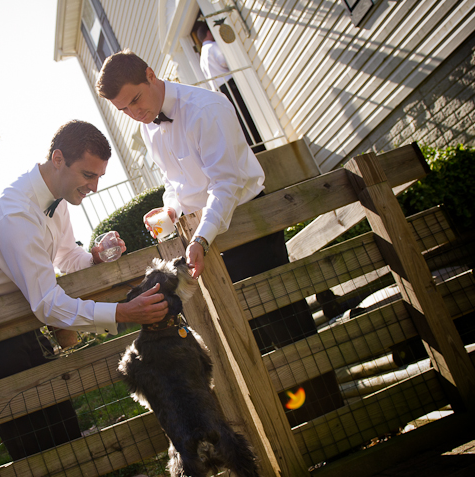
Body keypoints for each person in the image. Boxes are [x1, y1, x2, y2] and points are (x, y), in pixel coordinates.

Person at [96, 51, 342, 424]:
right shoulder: (148, 128)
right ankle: (294, 427)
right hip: (205, 241)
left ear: (151, 75)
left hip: (247, 228)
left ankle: (332, 421)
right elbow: (176, 184)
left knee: (286, 323)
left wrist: (202, 238)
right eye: (124, 109)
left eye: (135, 99)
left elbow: (226, 183)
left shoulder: (206, 109)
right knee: (250, 338)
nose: (135, 113)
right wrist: (169, 209)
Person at [0, 120, 168, 459]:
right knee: (33, 433)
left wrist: (93, 256)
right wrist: (122, 313)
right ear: (59, 158)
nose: (93, 187)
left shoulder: (57, 199)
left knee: (60, 412)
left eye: (98, 178)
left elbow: (65, 256)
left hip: (18, 307)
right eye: (88, 175)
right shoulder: (15, 215)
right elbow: (47, 304)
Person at [196, 23, 265, 153]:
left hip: (219, 90)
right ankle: (260, 143)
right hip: (229, 85)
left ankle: (254, 147)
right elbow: (223, 60)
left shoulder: (202, 56)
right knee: (246, 114)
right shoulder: (212, 47)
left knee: (239, 119)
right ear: (209, 33)